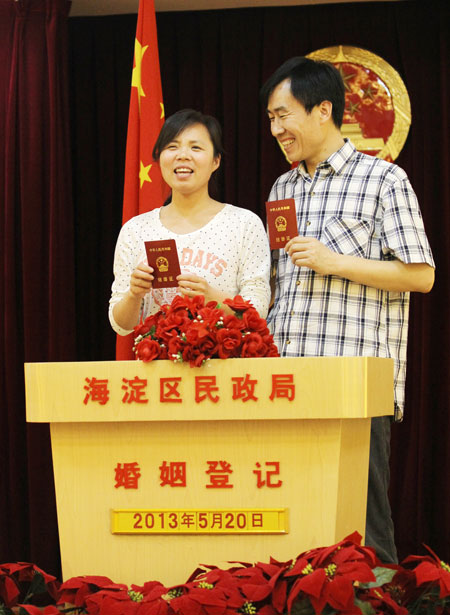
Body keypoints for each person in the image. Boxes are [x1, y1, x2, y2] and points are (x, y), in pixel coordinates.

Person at [260, 57, 435, 563]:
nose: (276, 129)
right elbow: (279, 284)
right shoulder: (282, 188)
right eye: (270, 119)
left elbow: (421, 275)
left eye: (283, 115)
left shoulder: (384, 180)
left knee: (363, 531)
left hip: (352, 382)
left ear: (322, 110)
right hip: (287, 382)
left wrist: (337, 262)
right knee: (296, 525)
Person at [109, 109, 271, 335]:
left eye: (196, 147)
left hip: (225, 364)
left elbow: (259, 310)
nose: (183, 155)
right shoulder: (136, 230)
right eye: (172, 146)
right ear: (159, 157)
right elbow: (122, 326)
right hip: (158, 367)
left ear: (216, 161)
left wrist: (213, 297)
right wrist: (134, 295)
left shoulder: (244, 224)